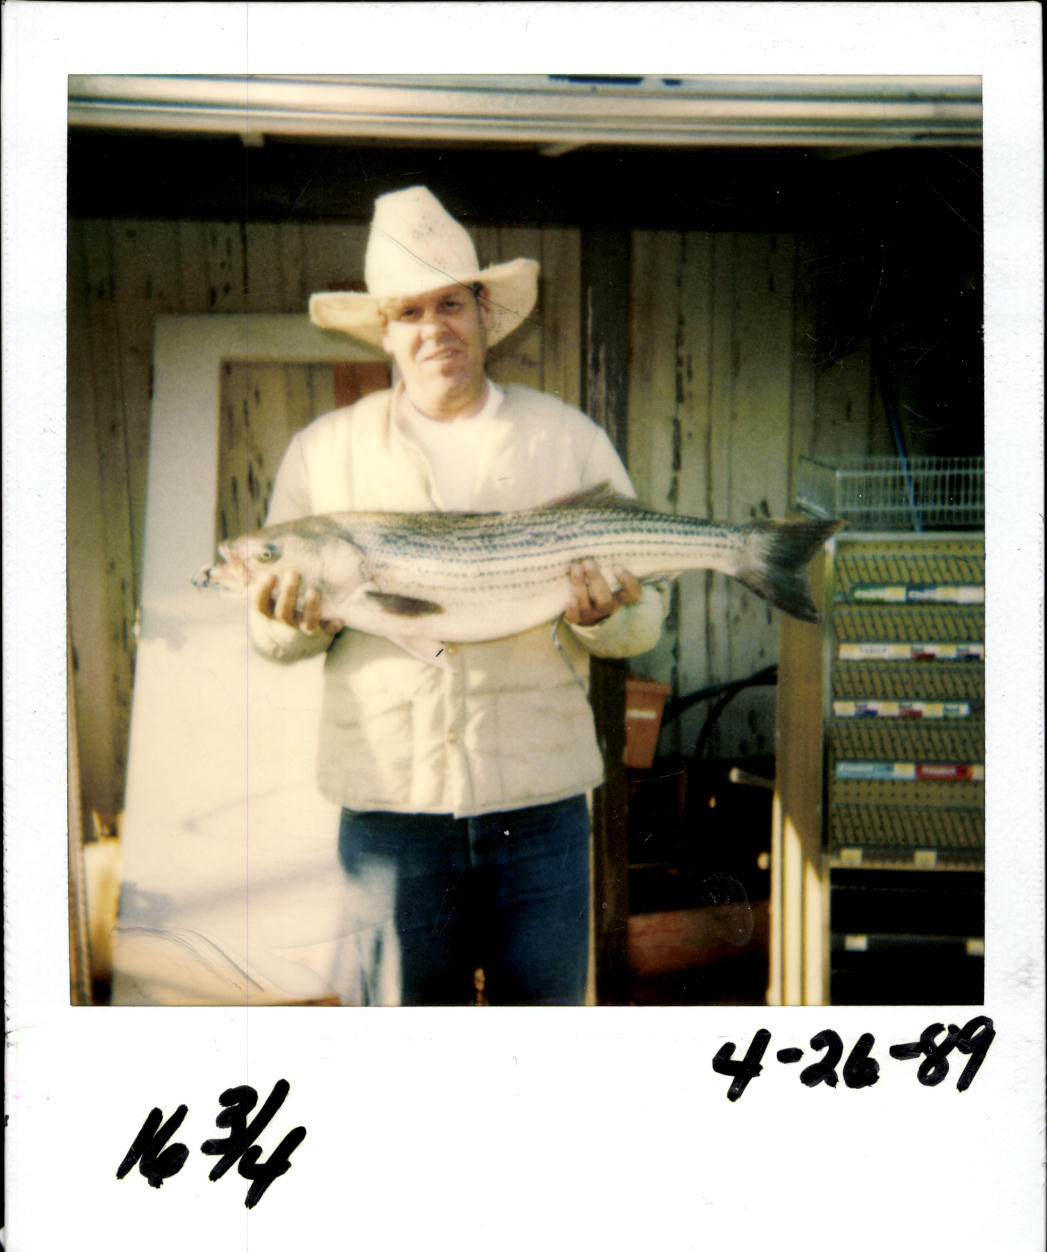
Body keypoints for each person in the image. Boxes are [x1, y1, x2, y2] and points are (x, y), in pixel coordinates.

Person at [249, 186, 665, 1006]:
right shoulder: (323, 453)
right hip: (389, 812)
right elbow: (271, 639)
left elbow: (641, 625)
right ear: (385, 331)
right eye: (409, 311)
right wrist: (291, 620)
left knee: (535, 1043)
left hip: (539, 808)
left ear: (482, 312)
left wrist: (608, 615)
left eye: (449, 304)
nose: (433, 327)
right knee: (403, 1047)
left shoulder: (566, 438)